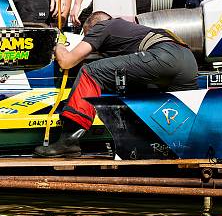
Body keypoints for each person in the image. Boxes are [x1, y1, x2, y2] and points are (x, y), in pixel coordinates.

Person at [34, 11, 198, 157]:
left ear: (92, 27)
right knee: (179, 114)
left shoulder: (102, 26)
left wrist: (59, 43)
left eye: (86, 36)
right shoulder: (130, 30)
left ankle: (69, 139)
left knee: (91, 72)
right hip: (188, 61)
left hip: (164, 55)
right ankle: (184, 146)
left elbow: (67, 61)